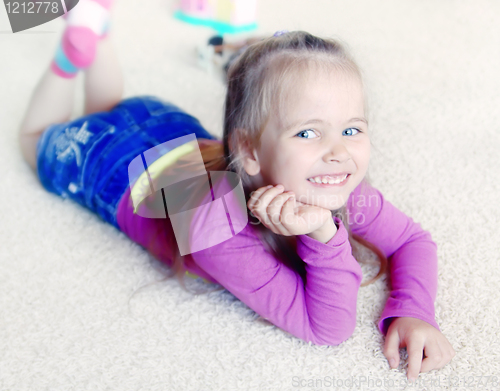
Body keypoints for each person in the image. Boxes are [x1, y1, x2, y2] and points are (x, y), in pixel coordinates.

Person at [18, 1, 455, 381]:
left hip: (167, 129)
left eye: (351, 129)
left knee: (109, 106)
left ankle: (91, 28)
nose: (338, 152)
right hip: (107, 165)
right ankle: (69, 61)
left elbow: (413, 240)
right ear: (249, 150)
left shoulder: (340, 187)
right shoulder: (218, 233)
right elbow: (328, 328)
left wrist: (415, 309)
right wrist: (324, 234)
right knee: (33, 138)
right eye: (307, 133)